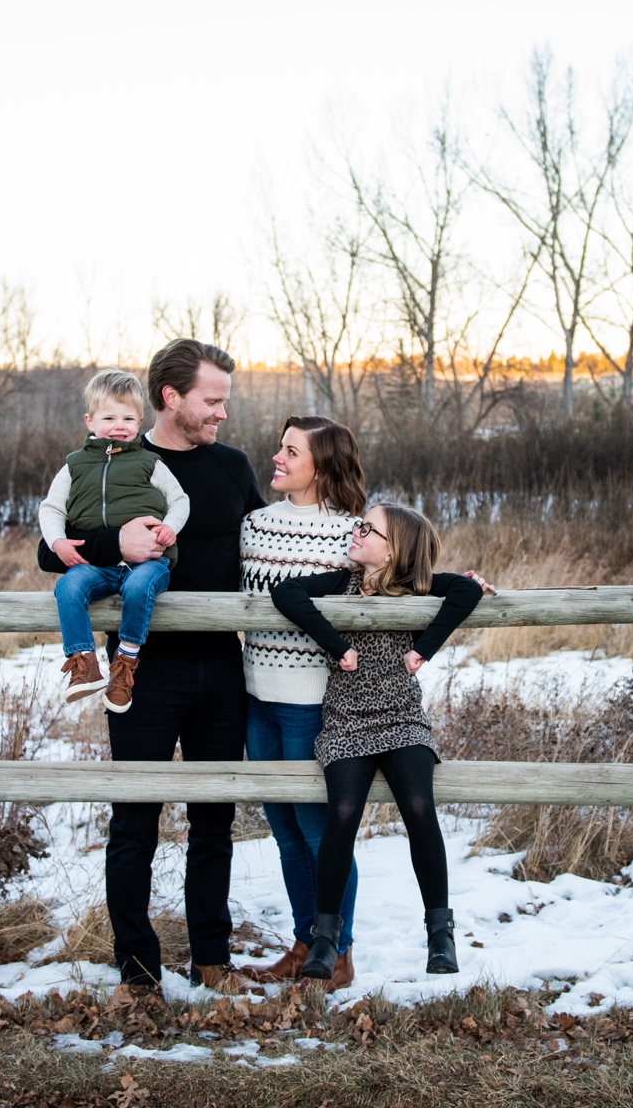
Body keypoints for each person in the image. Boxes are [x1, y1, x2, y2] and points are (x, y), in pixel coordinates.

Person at [37, 339, 267, 996]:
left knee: (214, 821)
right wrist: (117, 543)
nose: (223, 413)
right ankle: (136, 974)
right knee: (134, 819)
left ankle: (212, 963)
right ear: (171, 397)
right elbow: (51, 553)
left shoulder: (230, 466)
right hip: (141, 674)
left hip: (223, 669)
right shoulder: (114, 461)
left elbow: (271, 546)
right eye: (212, 400)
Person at [268, 503, 484, 980]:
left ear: (395, 549)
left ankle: (439, 934)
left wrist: (422, 651)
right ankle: (325, 940)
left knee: (419, 808)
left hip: (402, 720)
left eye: (369, 528)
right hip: (346, 723)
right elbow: (286, 592)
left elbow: (466, 589)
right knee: (341, 815)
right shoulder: (339, 583)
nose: (356, 530)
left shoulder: (416, 586)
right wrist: (337, 645)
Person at [235, 417, 364, 988]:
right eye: (280, 447)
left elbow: (400, 581)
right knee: (284, 831)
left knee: (321, 835)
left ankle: (337, 954)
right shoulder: (254, 526)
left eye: (292, 451)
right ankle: (302, 943)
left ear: (323, 464)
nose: (278, 457)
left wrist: (464, 584)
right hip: (256, 698)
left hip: (313, 705)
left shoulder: (353, 534)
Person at [39, 368, 190, 712]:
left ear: (139, 422)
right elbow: (51, 509)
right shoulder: (74, 466)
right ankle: (84, 663)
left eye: (127, 417)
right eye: (109, 417)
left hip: (150, 562)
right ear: (90, 421)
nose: (119, 425)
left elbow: (180, 500)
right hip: (100, 566)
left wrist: (170, 527)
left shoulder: (150, 462)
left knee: (139, 588)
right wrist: (58, 543)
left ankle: (125, 665)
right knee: (69, 587)